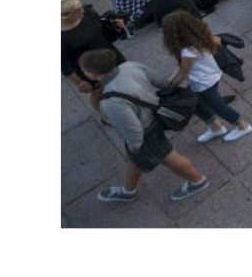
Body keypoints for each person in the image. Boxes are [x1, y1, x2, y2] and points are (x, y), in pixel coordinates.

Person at [82, 49, 210, 204]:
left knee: (168, 157)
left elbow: (133, 129)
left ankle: (198, 181)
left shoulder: (110, 101)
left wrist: (135, 147)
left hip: (145, 131)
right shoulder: (130, 66)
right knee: (136, 159)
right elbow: (160, 82)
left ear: (92, 74)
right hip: (155, 113)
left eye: (84, 70)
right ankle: (129, 191)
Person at [162, 10, 252, 144]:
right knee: (198, 105)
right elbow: (183, 67)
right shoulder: (200, 37)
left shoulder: (187, 51)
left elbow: (184, 72)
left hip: (203, 84)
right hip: (210, 76)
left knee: (219, 107)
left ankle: (242, 126)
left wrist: (171, 86)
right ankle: (216, 128)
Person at [61, 0, 124, 123]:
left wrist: (115, 25)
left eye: (81, 7)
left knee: (121, 75)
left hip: (108, 54)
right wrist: (79, 82)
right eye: (78, 10)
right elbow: (63, 63)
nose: (82, 10)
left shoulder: (87, 13)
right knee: (97, 91)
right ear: (66, 16)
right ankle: (105, 116)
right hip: (88, 67)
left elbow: (100, 27)